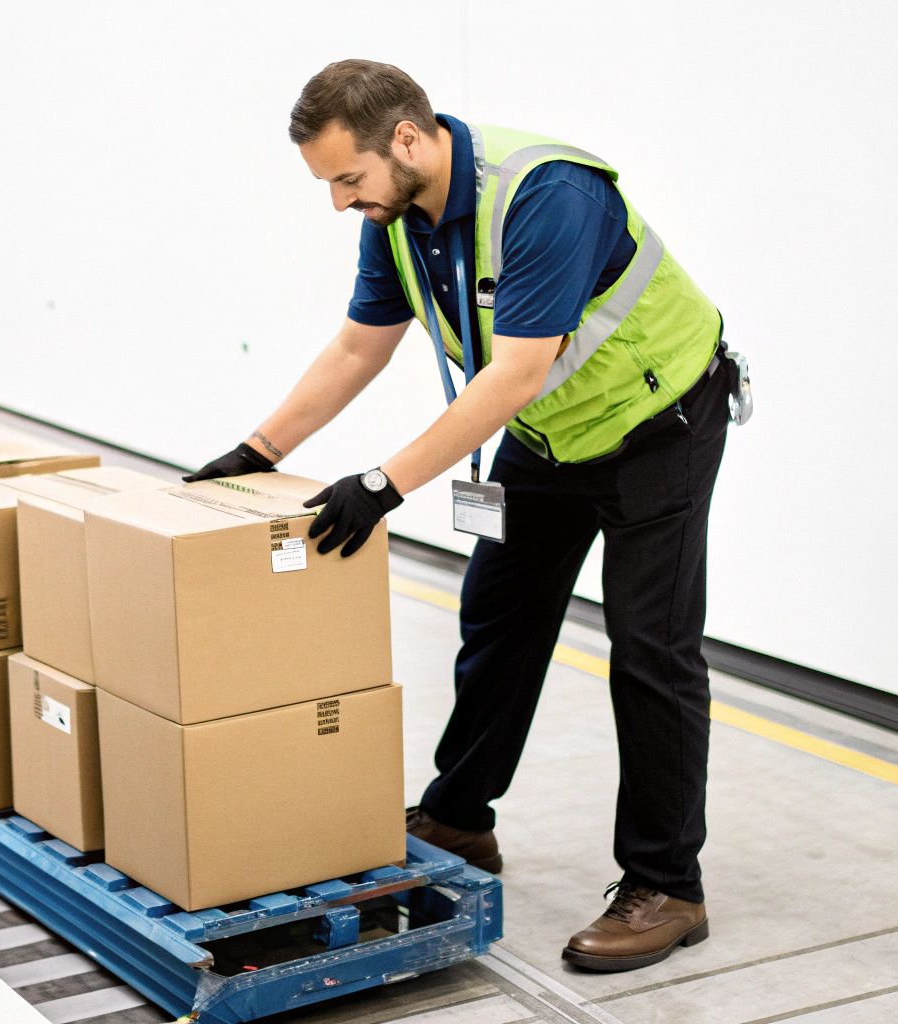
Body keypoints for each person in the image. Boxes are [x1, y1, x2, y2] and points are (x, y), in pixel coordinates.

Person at [186, 59, 738, 973]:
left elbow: (517, 367)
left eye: (346, 179)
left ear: (407, 139)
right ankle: (460, 815)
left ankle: (668, 886)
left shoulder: (547, 195)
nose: (339, 203)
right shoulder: (396, 216)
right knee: (497, 619)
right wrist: (260, 450)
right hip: (549, 433)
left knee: (651, 652)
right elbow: (361, 345)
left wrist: (383, 484)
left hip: (657, 426)